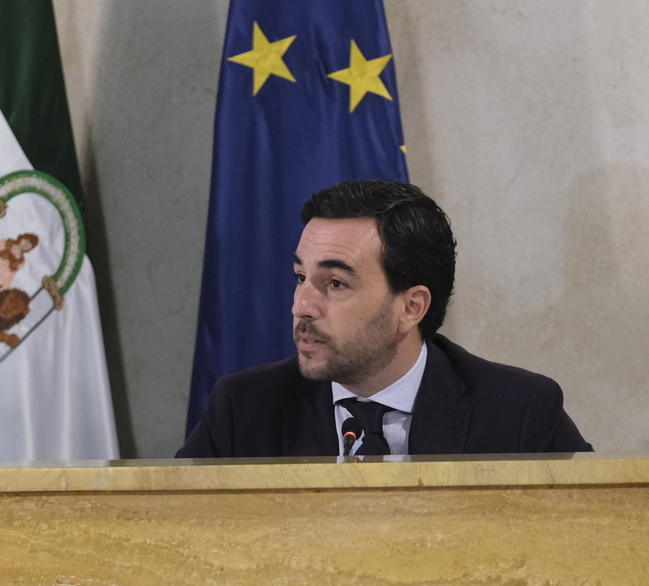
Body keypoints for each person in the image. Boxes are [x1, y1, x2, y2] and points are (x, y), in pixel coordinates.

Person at [178, 178, 590, 458]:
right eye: (301, 277)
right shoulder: (244, 410)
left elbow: (604, 545)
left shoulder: (517, 413)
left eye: (335, 284)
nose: (301, 306)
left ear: (411, 307)